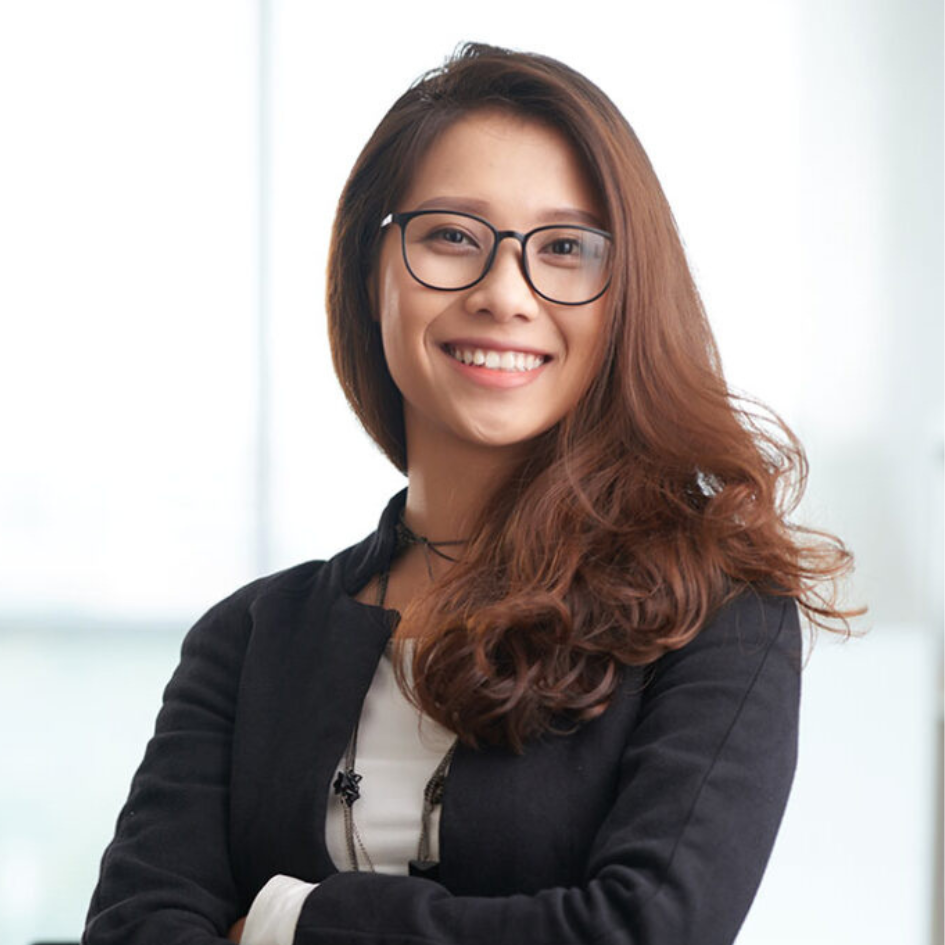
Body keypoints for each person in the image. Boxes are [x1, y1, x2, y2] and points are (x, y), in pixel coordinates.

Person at [82, 42, 860, 945]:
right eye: (452, 235)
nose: (504, 293)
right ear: (370, 270)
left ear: (625, 298)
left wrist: (289, 920)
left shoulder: (715, 616)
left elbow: (645, 928)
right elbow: (133, 927)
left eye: (564, 248)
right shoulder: (250, 636)